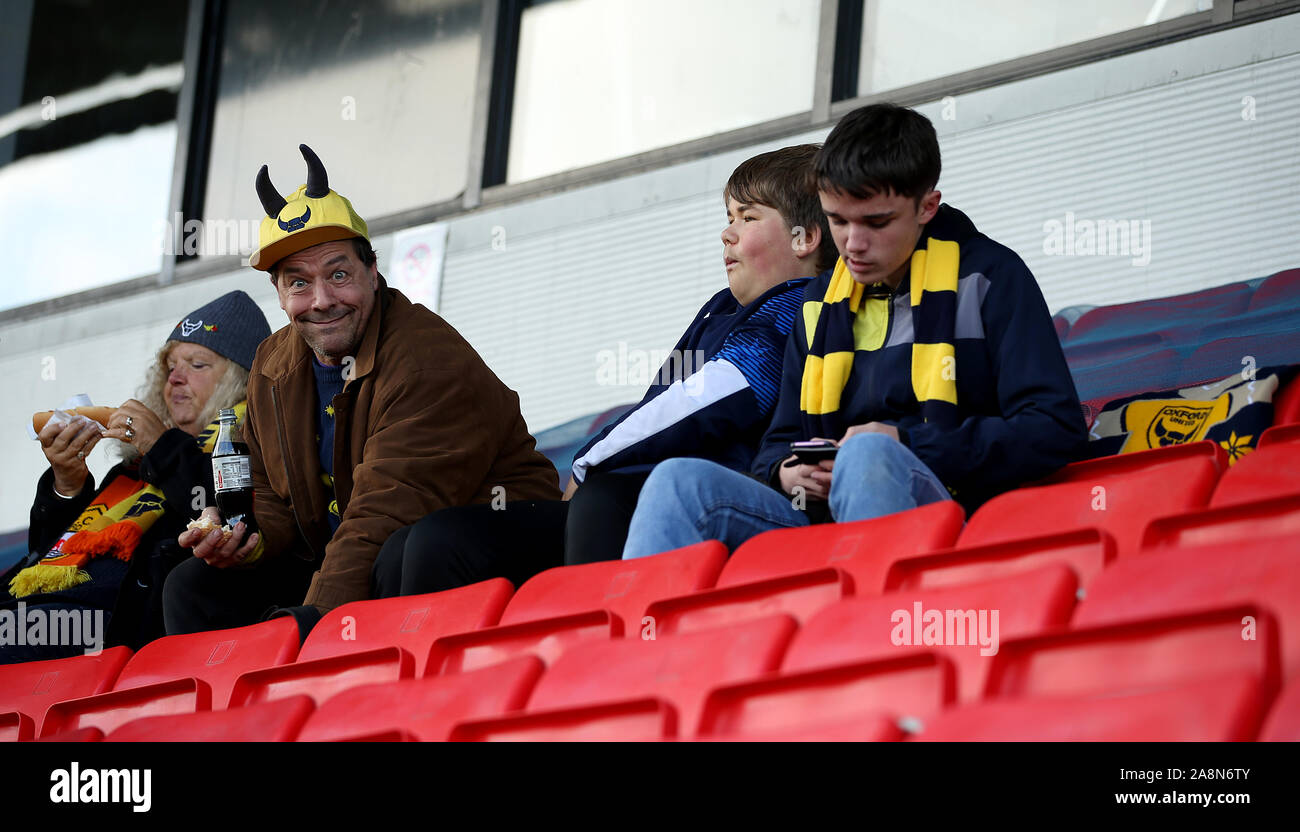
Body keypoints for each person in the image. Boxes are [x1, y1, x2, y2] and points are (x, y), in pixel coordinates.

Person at [621, 103, 1089, 559]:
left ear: (927, 206)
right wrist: (786, 473)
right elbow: (776, 444)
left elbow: (1053, 428)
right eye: (838, 221)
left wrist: (904, 444)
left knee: (867, 456)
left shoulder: (992, 277)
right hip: (822, 521)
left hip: (961, 517)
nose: (853, 244)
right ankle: (642, 639)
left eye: (876, 222)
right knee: (675, 483)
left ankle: (876, 629)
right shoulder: (817, 301)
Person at [371, 144, 838, 597]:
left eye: (748, 217)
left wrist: (592, 457)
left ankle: (592, 657)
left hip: (684, 503)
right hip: (626, 496)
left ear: (806, 238)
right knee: (419, 543)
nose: (727, 234)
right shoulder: (721, 308)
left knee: (599, 498)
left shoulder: (799, 303)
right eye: (728, 218)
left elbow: (712, 398)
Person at [166, 144, 558, 637]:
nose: (323, 300)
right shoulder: (272, 362)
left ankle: (399, 699)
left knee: (413, 547)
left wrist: (310, 628)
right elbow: (268, 493)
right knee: (192, 585)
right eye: (299, 283)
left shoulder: (425, 357)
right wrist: (245, 537)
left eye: (338, 274)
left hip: (497, 539)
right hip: (369, 555)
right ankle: (250, 712)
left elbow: (387, 510)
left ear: (372, 272)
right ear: (281, 296)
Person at [3, 291, 270, 662]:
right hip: (42, 615)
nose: (175, 378)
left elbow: (216, 507)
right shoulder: (135, 467)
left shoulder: (251, 450)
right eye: (170, 366)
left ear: (239, 381)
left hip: (111, 632)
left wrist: (163, 445)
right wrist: (67, 483)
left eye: (197, 365)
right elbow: (44, 563)